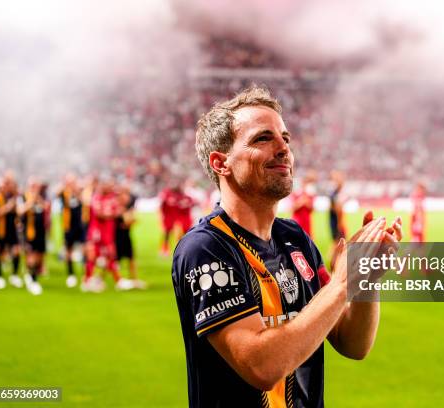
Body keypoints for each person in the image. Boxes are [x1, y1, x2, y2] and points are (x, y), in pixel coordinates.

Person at [172, 87, 402, 407]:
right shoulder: (205, 249)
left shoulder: (294, 237)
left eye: (286, 138)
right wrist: (343, 280)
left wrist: (365, 279)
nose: (283, 149)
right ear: (221, 162)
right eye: (263, 138)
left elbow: (353, 343)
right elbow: (261, 366)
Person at [82, 177, 133, 292]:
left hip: (108, 233)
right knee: (93, 256)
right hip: (97, 232)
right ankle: (87, 281)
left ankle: (114, 280)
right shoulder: (96, 198)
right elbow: (100, 214)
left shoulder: (112, 198)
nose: (109, 188)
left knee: (110, 256)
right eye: (106, 186)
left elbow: (120, 209)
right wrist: (112, 213)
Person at [19, 177, 49, 295]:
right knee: (30, 256)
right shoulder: (23, 197)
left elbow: (46, 208)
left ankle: (32, 275)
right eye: (33, 186)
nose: (35, 189)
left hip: (40, 231)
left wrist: (38, 199)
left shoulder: (42, 197)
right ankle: (32, 280)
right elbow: (20, 210)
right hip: (29, 232)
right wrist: (31, 201)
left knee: (38, 256)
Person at [0, 173, 22, 290]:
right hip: (1, 229)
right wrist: (7, 208)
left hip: (12, 229)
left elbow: (19, 212)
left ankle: (14, 275)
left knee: (16, 251)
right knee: (0, 253)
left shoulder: (15, 197)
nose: (9, 186)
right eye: (7, 183)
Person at [115, 182, 146, 289]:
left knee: (131, 258)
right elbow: (129, 221)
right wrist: (131, 219)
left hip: (125, 235)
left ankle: (134, 279)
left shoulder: (126, 207)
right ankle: (117, 280)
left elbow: (131, 221)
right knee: (114, 259)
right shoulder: (117, 208)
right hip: (117, 236)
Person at [58, 173, 85, 288]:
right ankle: (71, 274)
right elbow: (58, 193)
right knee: (68, 250)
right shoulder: (64, 193)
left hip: (80, 225)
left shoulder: (80, 192)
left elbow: (84, 201)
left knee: (84, 249)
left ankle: (86, 274)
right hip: (68, 226)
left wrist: (77, 191)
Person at [159, 178, 194, 256]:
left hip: (181, 219)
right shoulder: (167, 194)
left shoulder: (185, 197)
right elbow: (163, 205)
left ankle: (184, 249)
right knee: (167, 234)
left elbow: (190, 204)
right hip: (170, 218)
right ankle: (165, 249)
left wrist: (184, 204)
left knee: (184, 235)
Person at [290, 171, 316, 237]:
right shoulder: (296, 194)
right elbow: (293, 207)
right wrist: (302, 201)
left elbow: (312, 208)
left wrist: (304, 201)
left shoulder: (310, 194)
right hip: (297, 221)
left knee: (307, 240)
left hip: (307, 221)